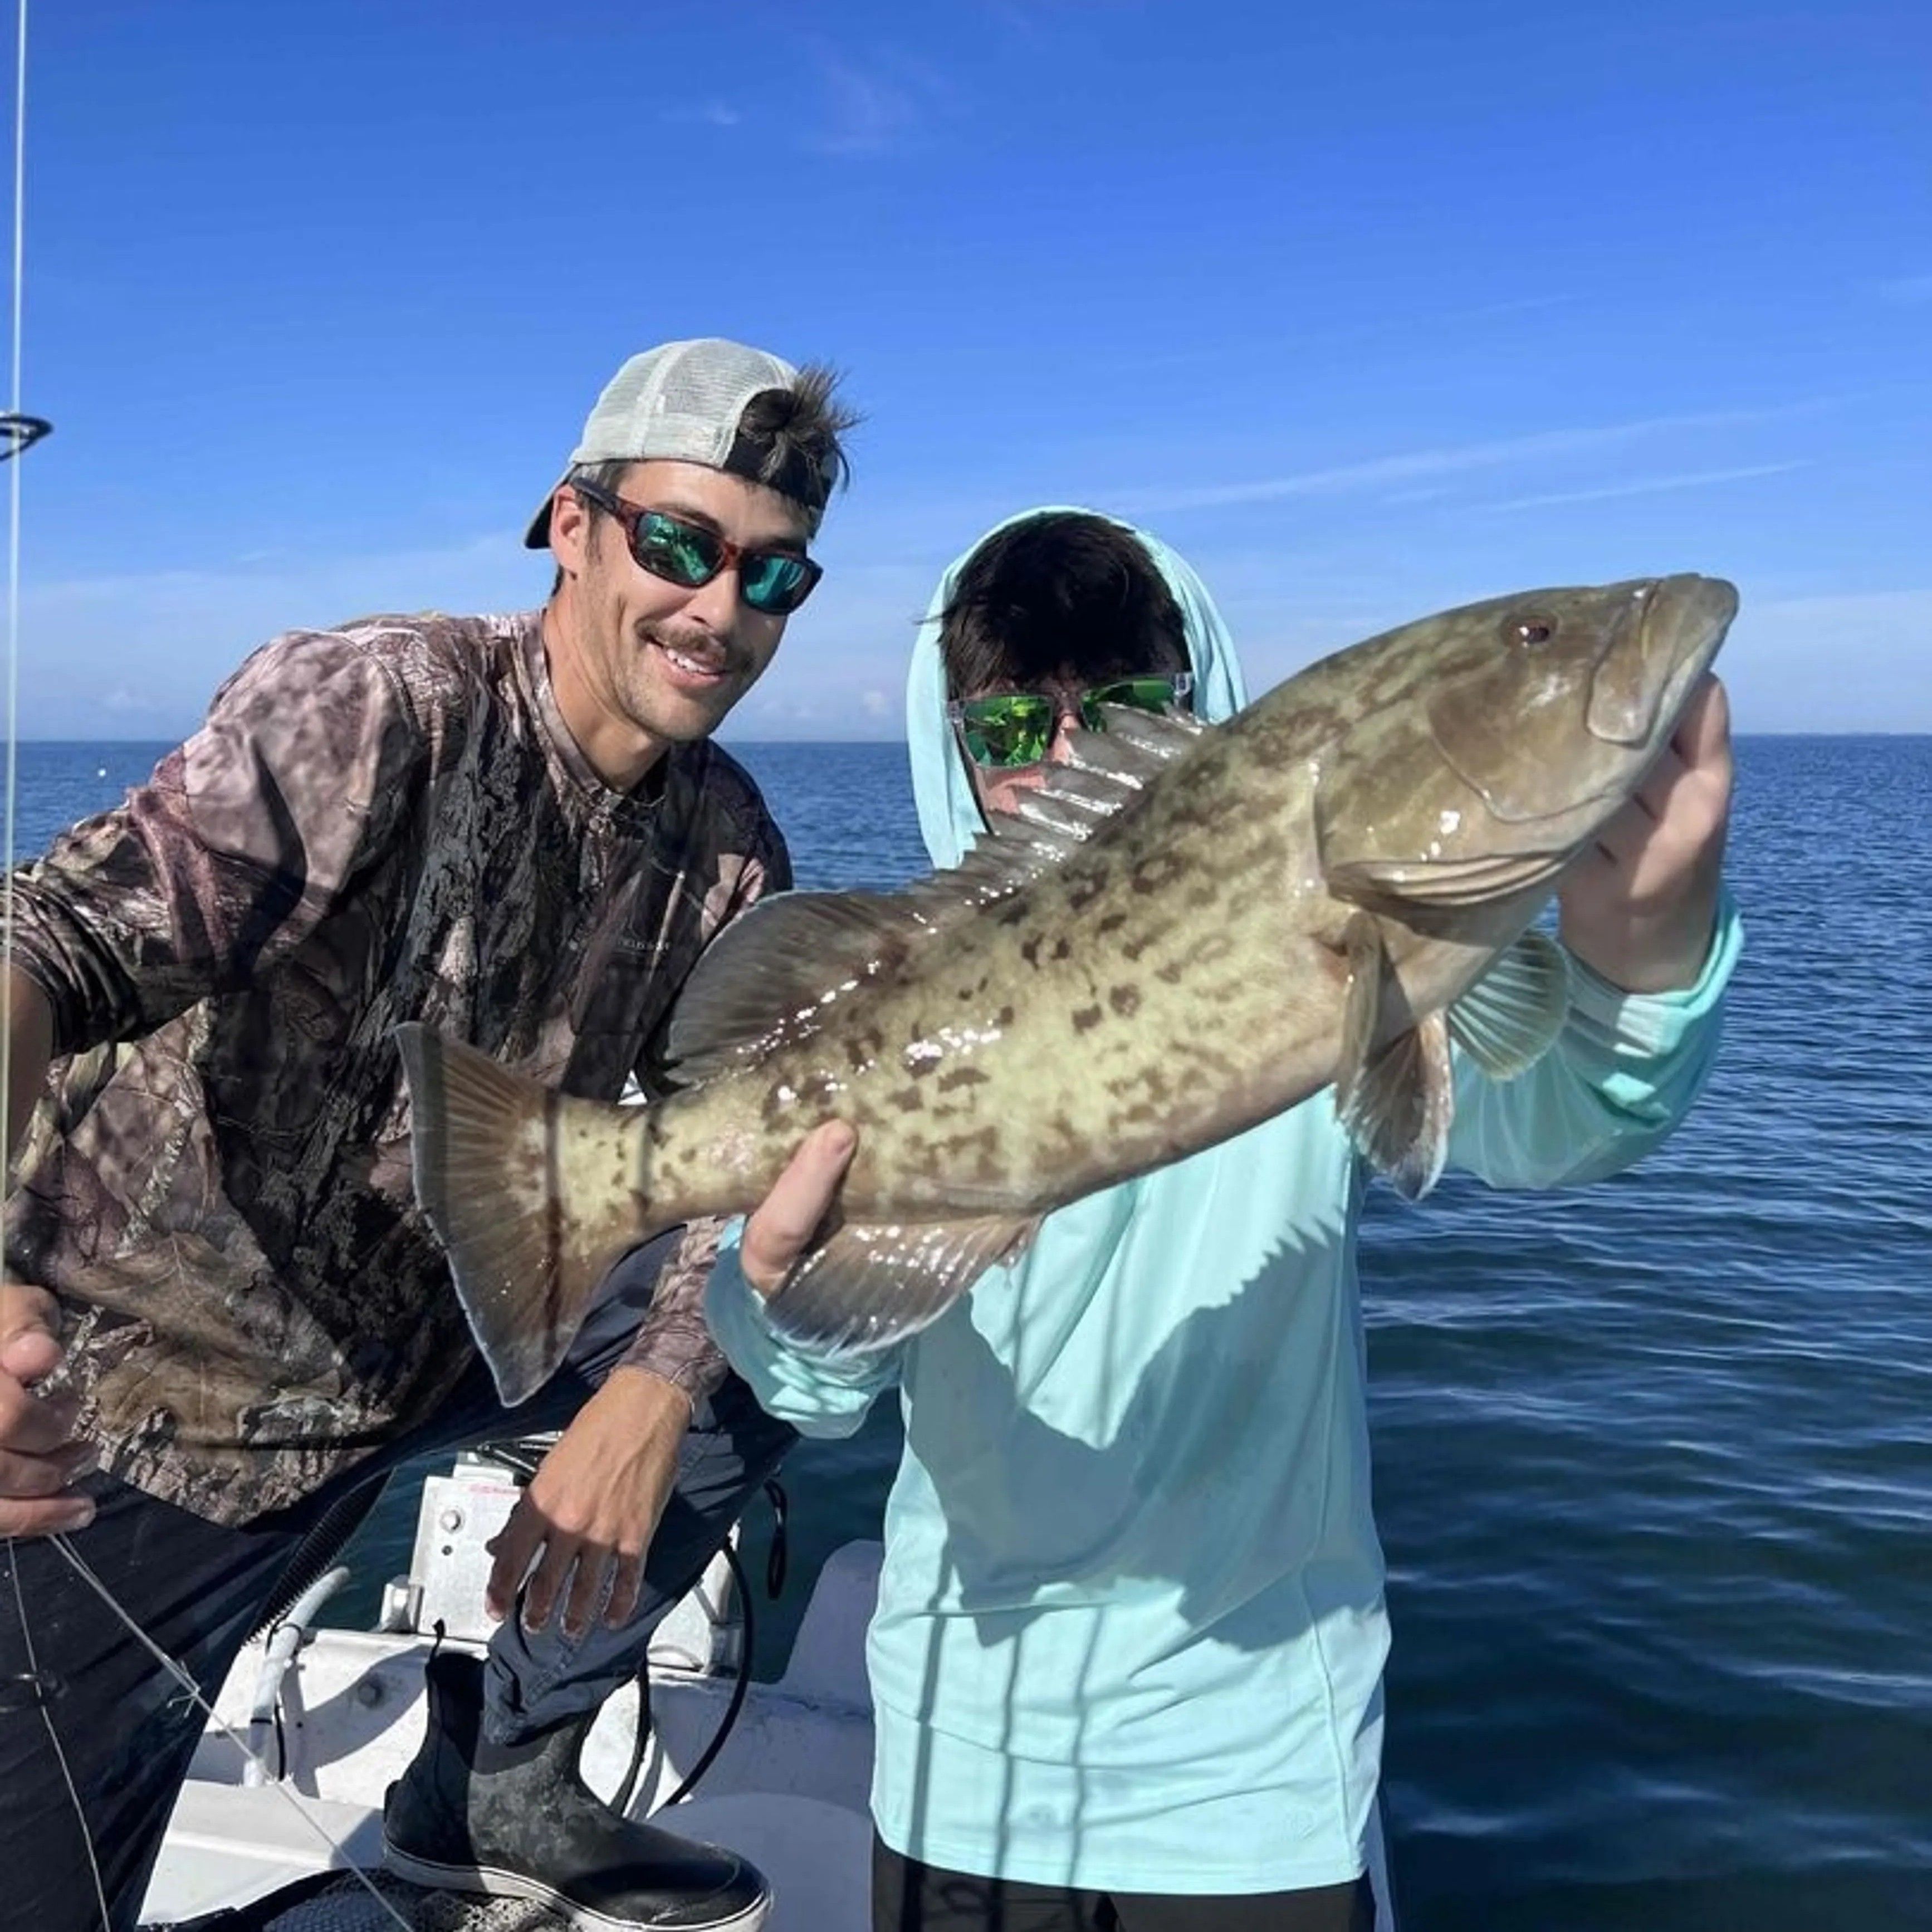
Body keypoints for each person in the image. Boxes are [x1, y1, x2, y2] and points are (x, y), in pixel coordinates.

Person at [703, 508, 1742, 1932]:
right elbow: (816, 1391)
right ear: (952, 751)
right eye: (1006, 728)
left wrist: (1647, 955)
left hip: (1253, 1776)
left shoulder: (1360, 945)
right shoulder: (901, 1006)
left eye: (1129, 705)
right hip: (958, 1755)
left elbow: (1564, 1119)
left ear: (1202, 707)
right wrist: (779, 1295)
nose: (1067, 754)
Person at [0, 336, 857, 1932]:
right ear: (571, 526)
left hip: (457, 1337)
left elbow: (735, 1143)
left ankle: (504, 1777)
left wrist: (657, 1385)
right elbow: (43, 947)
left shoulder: (731, 845)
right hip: (140, 1420)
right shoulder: (386, 703)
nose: (719, 608)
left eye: (772, 573)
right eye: (681, 544)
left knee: (786, 1318)